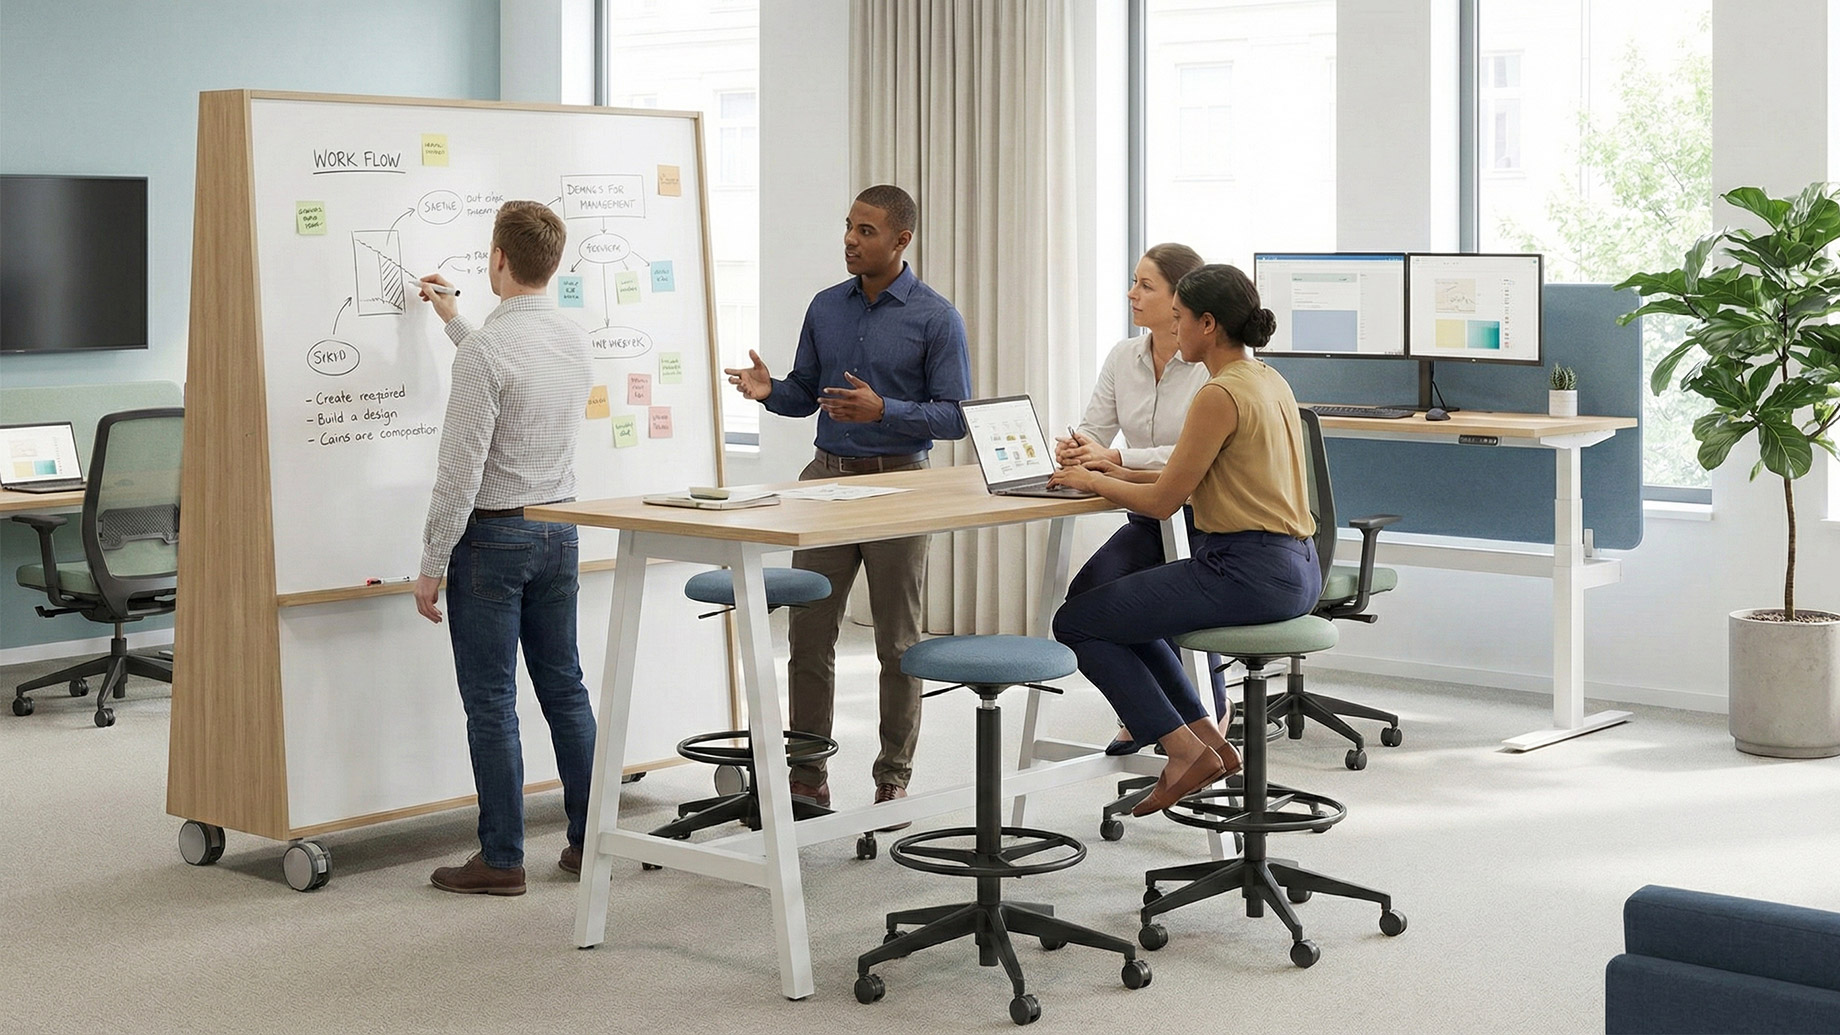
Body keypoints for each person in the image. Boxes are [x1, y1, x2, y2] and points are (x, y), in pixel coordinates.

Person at [723, 184, 970, 825]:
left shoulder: (936, 318)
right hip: (825, 483)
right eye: (849, 227)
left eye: (866, 231)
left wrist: (885, 409)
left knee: (898, 643)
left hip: (900, 487)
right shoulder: (825, 307)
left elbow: (955, 416)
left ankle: (893, 778)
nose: (851, 241)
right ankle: (808, 776)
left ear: (901, 240)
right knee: (809, 636)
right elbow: (805, 393)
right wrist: (769, 390)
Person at [1049, 264, 1320, 816]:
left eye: (1179, 318)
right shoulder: (1268, 379)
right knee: (1122, 617)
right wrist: (1115, 472)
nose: (1173, 330)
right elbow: (1190, 478)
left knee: (1076, 622)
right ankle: (1205, 739)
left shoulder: (1218, 394)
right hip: (1297, 567)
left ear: (1208, 324)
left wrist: (1092, 480)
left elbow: (1162, 503)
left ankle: (1181, 750)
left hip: (1244, 570)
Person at [412, 200, 597, 895]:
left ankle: (502, 858)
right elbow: (511, 373)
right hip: (559, 531)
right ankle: (591, 842)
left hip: (492, 540)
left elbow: (460, 473)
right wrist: (454, 320)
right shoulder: (573, 339)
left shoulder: (488, 352)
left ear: (497, 259)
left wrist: (431, 564)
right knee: (565, 688)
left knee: (492, 701)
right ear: (553, 263)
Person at [1052, 242, 1222, 755]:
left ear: (1179, 300)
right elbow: (1094, 429)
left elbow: (1193, 454)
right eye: (1134, 281)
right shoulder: (1123, 356)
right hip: (1148, 518)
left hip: (1203, 520)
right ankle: (1155, 717)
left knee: (1157, 605)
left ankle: (1208, 711)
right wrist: (1080, 448)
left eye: (1146, 285)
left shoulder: (1211, 365)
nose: (1132, 294)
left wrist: (1117, 458)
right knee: (1089, 597)